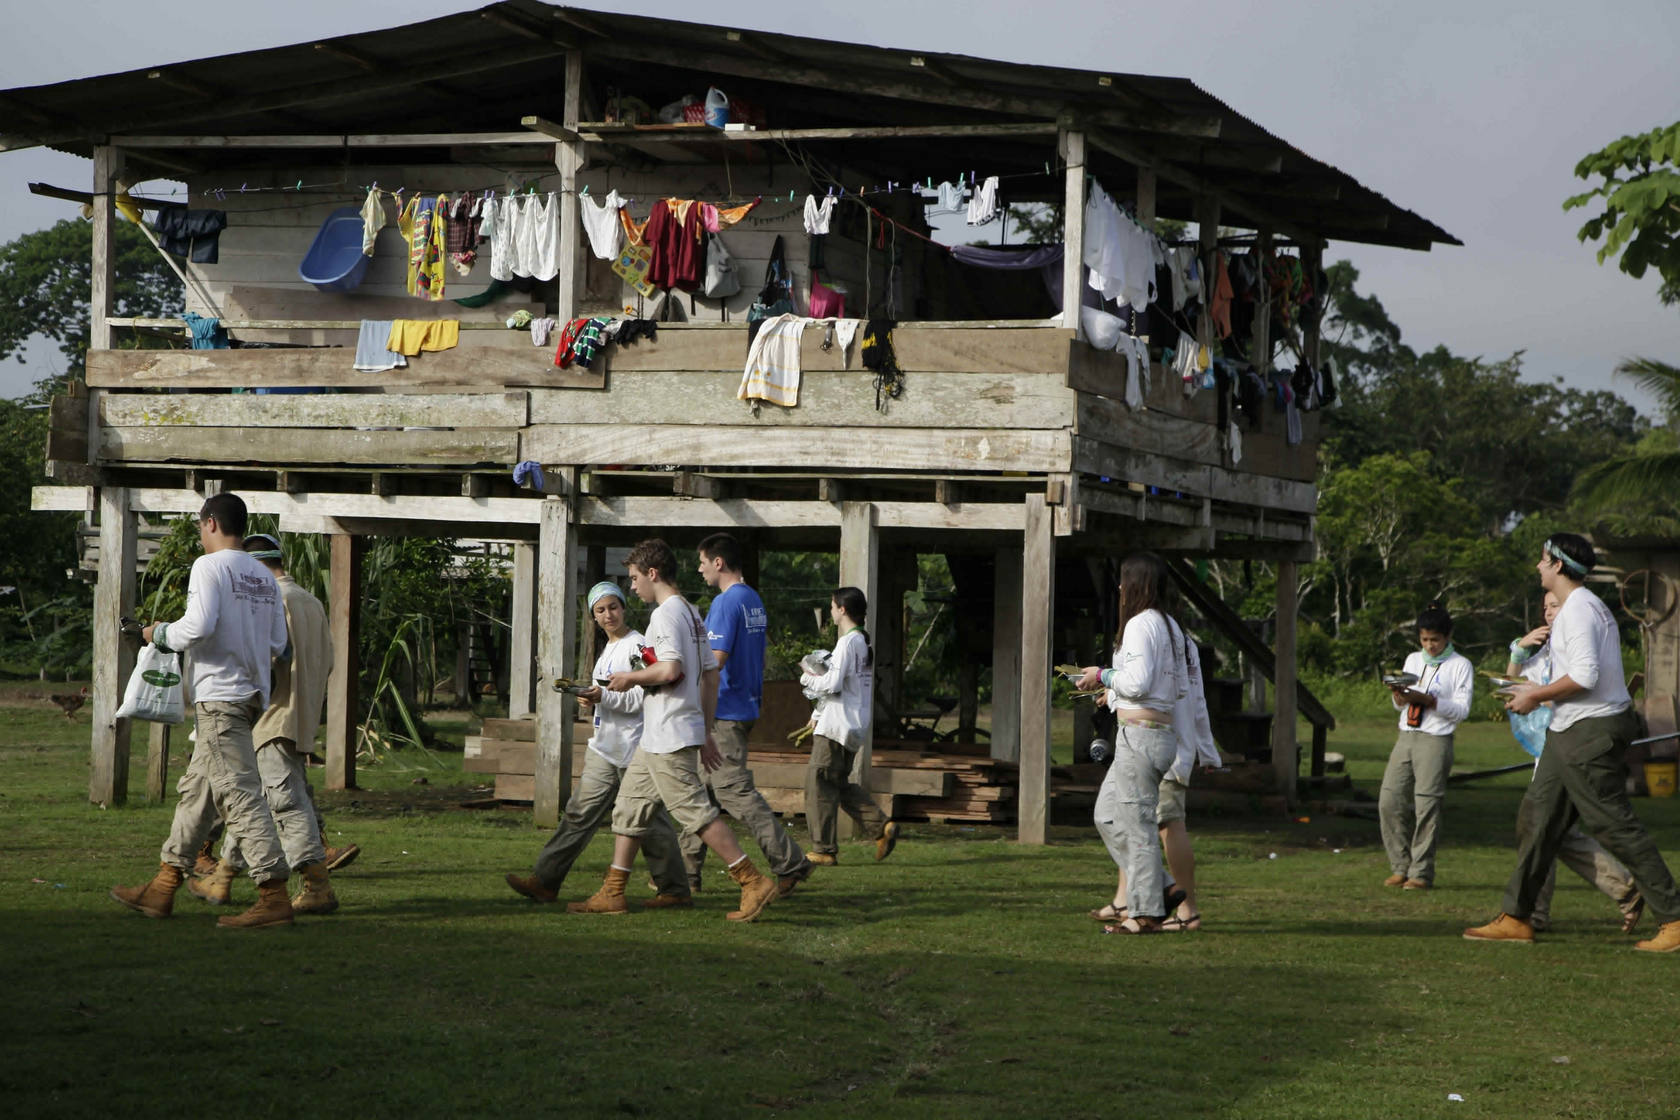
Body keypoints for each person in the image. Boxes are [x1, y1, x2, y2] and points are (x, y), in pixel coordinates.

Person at [1467, 534, 1680, 950]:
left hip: (1590, 731)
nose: (1538, 566)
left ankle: (1674, 918)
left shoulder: (1579, 611)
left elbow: (1585, 677)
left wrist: (1534, 695)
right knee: (1537, 818)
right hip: (1568, 730)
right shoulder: (1575, 611)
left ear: (1559, 565)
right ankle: (1517, 916)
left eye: (1543, 559)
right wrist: (1530, 688)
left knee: (1612, 825)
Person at [567, 539, 779, 922]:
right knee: (629, 807)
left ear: (652, 574)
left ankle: (752, 881)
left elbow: (670, 671)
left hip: (668, 733)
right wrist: (706, 730)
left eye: (633, 578)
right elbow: (710, 677)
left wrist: (629, 677)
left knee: (695, 812)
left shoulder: (665, 616)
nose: (631, 588)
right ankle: (614, 892)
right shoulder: (693, 613)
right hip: (662, 734)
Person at [110, 493, 295, 929]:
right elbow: (276, 644)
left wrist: (156, 634)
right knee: (198, 791)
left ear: (210, 523)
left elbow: (197, 626)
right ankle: (163, 886)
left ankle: (273, 895)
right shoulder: (263, 576)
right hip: (252, 694)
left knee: (240, 794)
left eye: (199, 526)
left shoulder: (209, 566)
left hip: (220, 697)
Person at [503, 580, 692, 909]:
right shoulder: (606, 651)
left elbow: (639, 698)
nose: (608, 615)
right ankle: (545, 881)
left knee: (650, 824)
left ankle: (674, 890)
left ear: (623, 607)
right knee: (578, 815)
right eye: (600, 610)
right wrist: (592, 701)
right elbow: (608, 696)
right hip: (605, 748)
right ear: (593, 616)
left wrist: (602, 696)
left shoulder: (638, 645)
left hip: (634, 750)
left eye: (613, 607)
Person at [188, 533, 343, 914]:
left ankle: (316, 885)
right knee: (254, 802)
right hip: (298, 713)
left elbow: (272, 658)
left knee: (285, 802)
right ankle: (223, 877)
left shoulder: (274, 599)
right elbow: (329, 660)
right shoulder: (310, 601)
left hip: (270, 715)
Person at [680, 533, 813, 896]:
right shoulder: (752, 598)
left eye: (703, 561)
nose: (700, 568)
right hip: (744, 706)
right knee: (696, 793)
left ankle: (790, 863)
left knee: (735, 793)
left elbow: (715, 661)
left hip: (723, 712)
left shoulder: (725, 603)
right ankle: (684, 875)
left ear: (719, 563)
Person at [1505, 590, 1643, 933]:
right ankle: (1626, 890)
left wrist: (1541, 695)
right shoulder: (1547, 652)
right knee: (1551, 831)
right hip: (1549, 751)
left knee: (1547, 827)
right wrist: (1519, 651)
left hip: (1576, 747)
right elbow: (1513, 683)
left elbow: (1582, 689)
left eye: (1557, 606)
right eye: (1546, 608)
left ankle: (1531, 914)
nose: (1550, 613)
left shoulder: (1581, 645)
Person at [1075, 552, 1190, 935]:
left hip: (1142, 737)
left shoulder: (1142, 624)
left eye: (1125, 582)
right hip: (1150, 734)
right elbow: (1172, 686)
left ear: (1137, 585)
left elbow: (1138, 682)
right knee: (1107, 815)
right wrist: (1116, 695)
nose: (1120, 589)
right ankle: (1161, 886)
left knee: (1138, 824)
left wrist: (1103, 675)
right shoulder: (1171, 626)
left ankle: (1143, 915)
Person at [1088, 632, 1220, 931]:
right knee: (1132, 818)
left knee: (1165, 823)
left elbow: (1147, 688)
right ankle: (1126, 897)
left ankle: (1186, 910)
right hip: (1164, 741)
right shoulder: (1176, 638)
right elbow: (1193, 695)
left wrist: (1112, 692)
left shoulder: (1152, 633)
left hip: (1161, 742)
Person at [799, 587, 899, 865]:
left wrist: (807, 679)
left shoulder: (847, 643)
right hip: (851, 725)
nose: (831, 611)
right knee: (837, 783)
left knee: (818, 784)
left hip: (836, 727)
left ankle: (822, 849)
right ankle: (882, 828)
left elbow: (831, 683)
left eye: (832, 606)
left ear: (842, 609)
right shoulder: (862, 643)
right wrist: (818, 712)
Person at [1377, 602, 1473, 891]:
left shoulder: (1460, 665)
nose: (1429, 646)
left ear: (1447, 637)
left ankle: (1421, 872)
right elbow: (1399, 706)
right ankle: (1399, 866)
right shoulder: (1412, 661)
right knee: (1389, 800)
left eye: (1435, 640)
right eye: (1424, 639)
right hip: (1406, 735)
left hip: (1435, 739)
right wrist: (1400, 696)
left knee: (1426, 806)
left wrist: (1430, 701)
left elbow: (1462, 710)